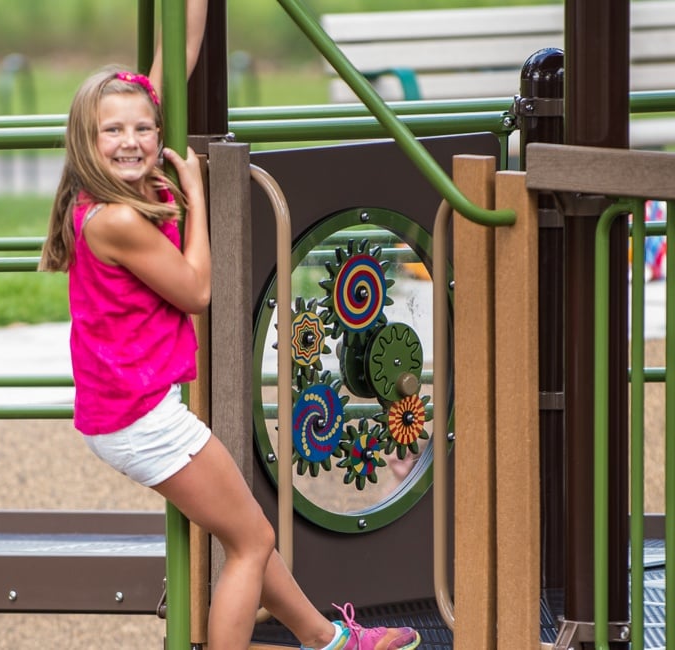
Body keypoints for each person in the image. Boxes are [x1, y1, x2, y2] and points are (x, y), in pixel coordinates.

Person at [38, 5, 422, 649]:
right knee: (253, 542)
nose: (131, 140)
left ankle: (329, 640)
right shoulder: (115, 220)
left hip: (130, 411)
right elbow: (197, 291)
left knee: (246, 535)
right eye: (113, 131)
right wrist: (196, 190)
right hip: (142, 420)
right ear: (84, 138)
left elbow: (178, 48)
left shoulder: (102, 198)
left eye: (143, 126)